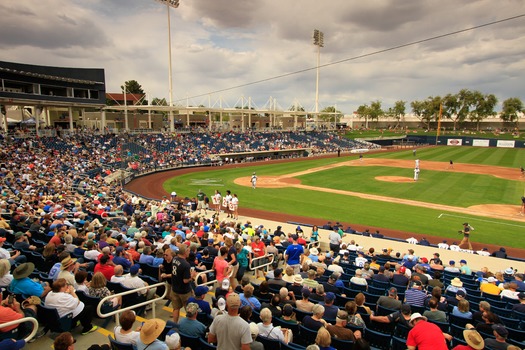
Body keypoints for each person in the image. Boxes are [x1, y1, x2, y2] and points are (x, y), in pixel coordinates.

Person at [171, 245, 196, 323]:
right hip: (184, 291)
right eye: (188, 251)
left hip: (174, 288)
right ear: (185, 252)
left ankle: (174, 323)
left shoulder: (174, 259)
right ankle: (188, 325)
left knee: (175, 308)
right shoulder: (186, 264)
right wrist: (191, 276)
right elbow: (185, 280)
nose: (189, 252)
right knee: (189, 310)